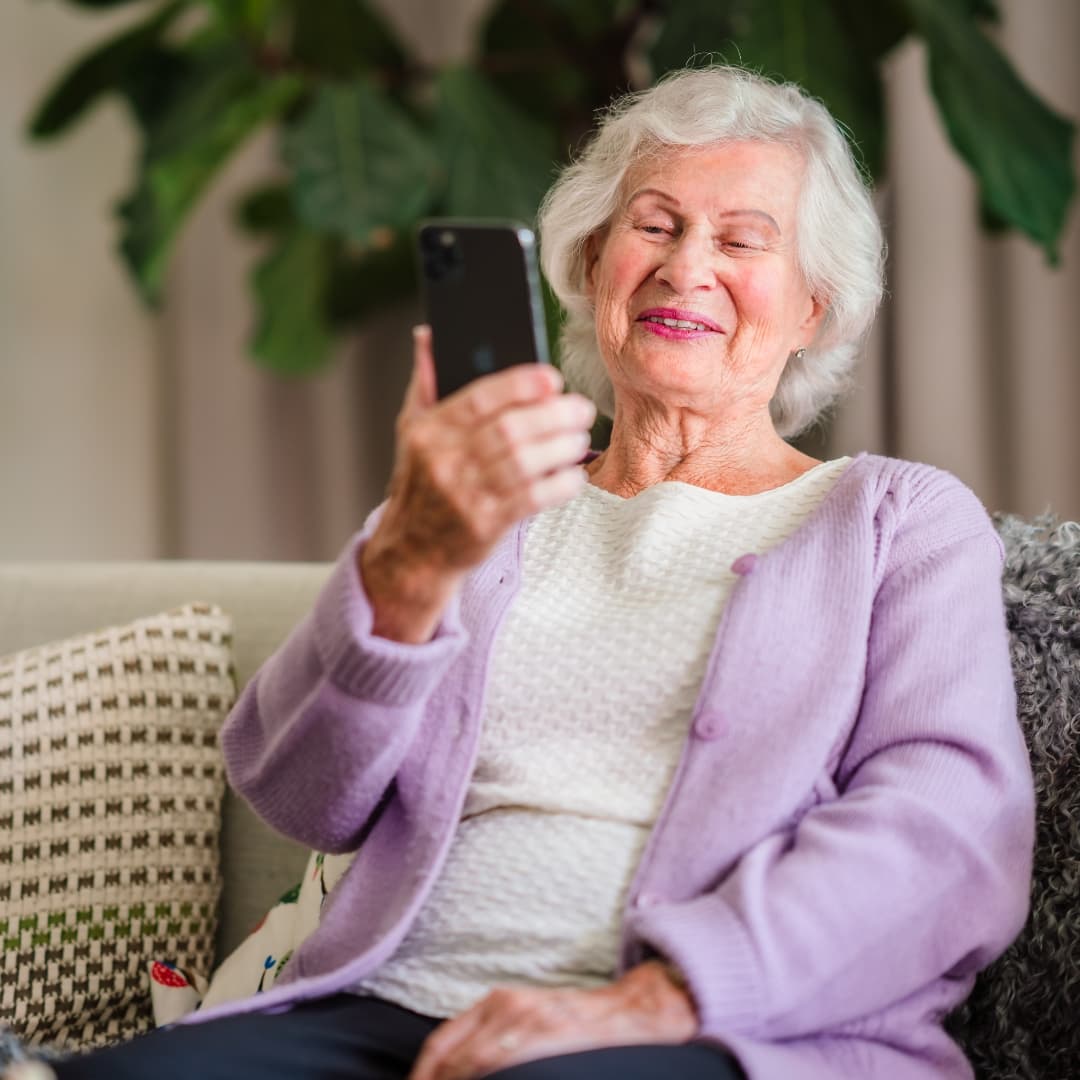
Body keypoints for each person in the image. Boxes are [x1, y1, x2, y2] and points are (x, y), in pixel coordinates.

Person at [48, 64, 1034, 1080]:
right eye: (653, 225)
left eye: (743, 240)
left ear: (813, 310)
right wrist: (411, 561)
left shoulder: (896, 521)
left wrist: (663, 997)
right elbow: (299, 794)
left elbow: (947, 834)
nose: (686, 266)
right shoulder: (475, 504)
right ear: (593, 258)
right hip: (384, 1011)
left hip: (715, 1031)